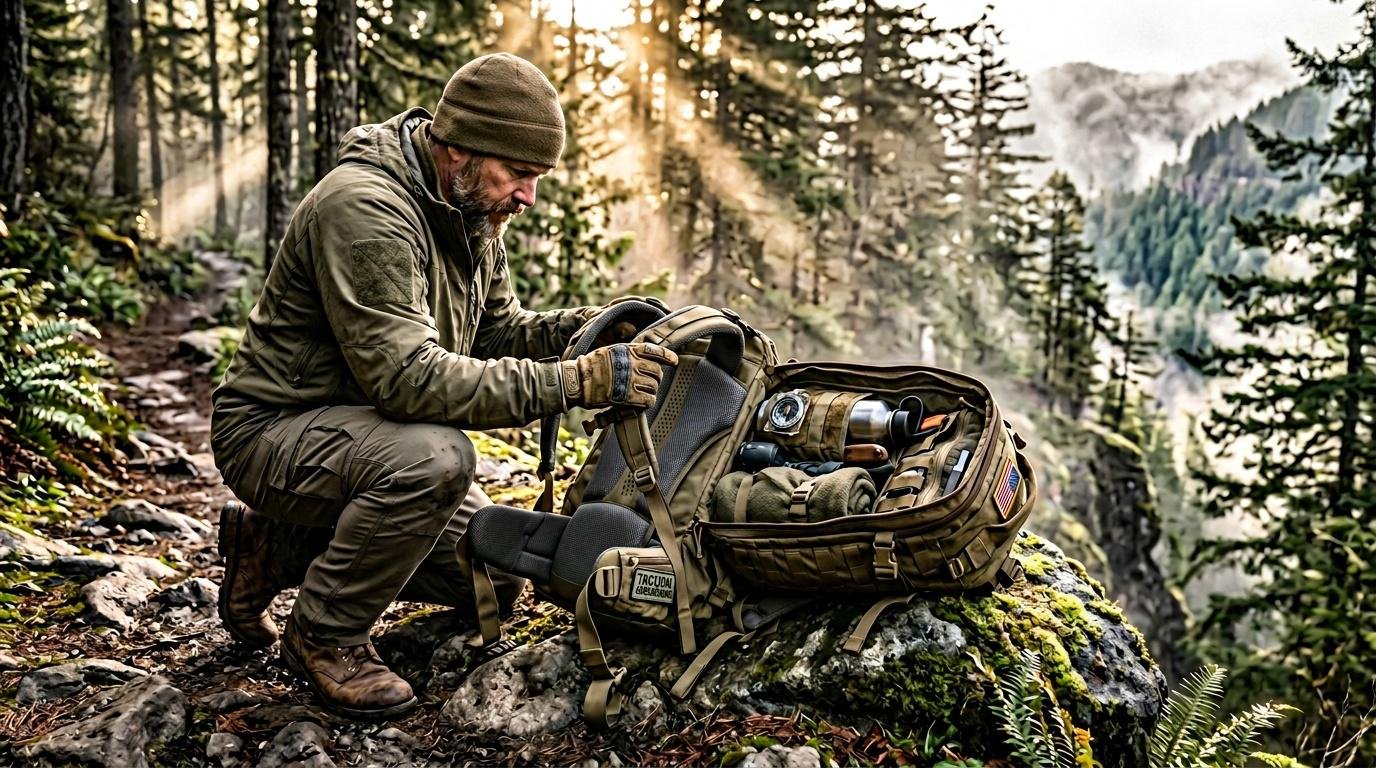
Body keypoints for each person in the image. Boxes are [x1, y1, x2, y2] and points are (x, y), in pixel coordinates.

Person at [209, 52, 677, 719]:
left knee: (496, 566)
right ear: (459, 149)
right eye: (519, 173)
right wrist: (576, 382)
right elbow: (406, 382)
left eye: (536, 177)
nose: (528, 196)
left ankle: (271, 548)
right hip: (275, 431)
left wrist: (592, 329)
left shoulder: (468, 211)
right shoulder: (365, 210)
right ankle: (326, 634)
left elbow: (496, 334)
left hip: (366, 433)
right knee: (435, 460)